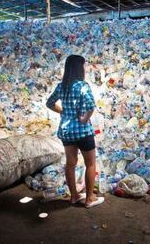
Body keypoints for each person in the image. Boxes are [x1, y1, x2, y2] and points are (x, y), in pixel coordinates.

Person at [46, 55, 104, 208]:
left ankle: (74, 196)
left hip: (67, 132)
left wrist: (63, 112)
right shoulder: (83, 86)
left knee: (70, 164)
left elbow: (49, 103)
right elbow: (91, 105)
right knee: (90, 164)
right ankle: (89, 199)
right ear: (79, 68)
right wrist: (84, 119)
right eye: (84, 65)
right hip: (83, 132)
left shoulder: (61, 86)